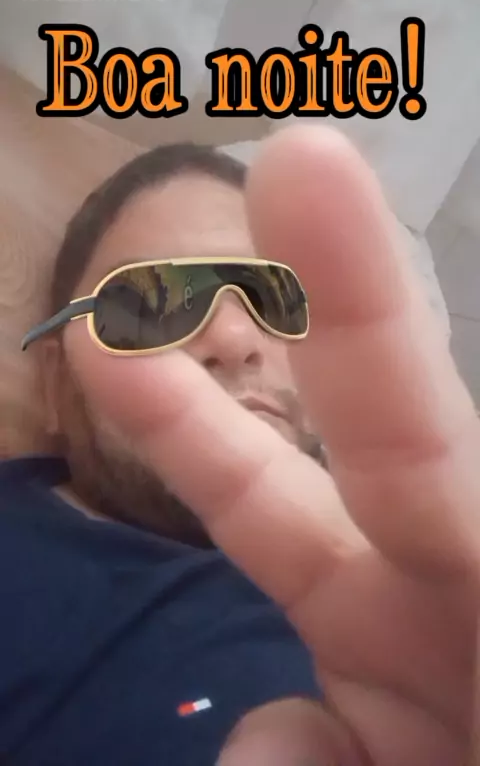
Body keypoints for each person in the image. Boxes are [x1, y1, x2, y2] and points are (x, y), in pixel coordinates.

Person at [1, 125, 479, 766]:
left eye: (274, 296)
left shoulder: (430, 600)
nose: (233, 338)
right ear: (58, 382)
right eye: (153, 303)